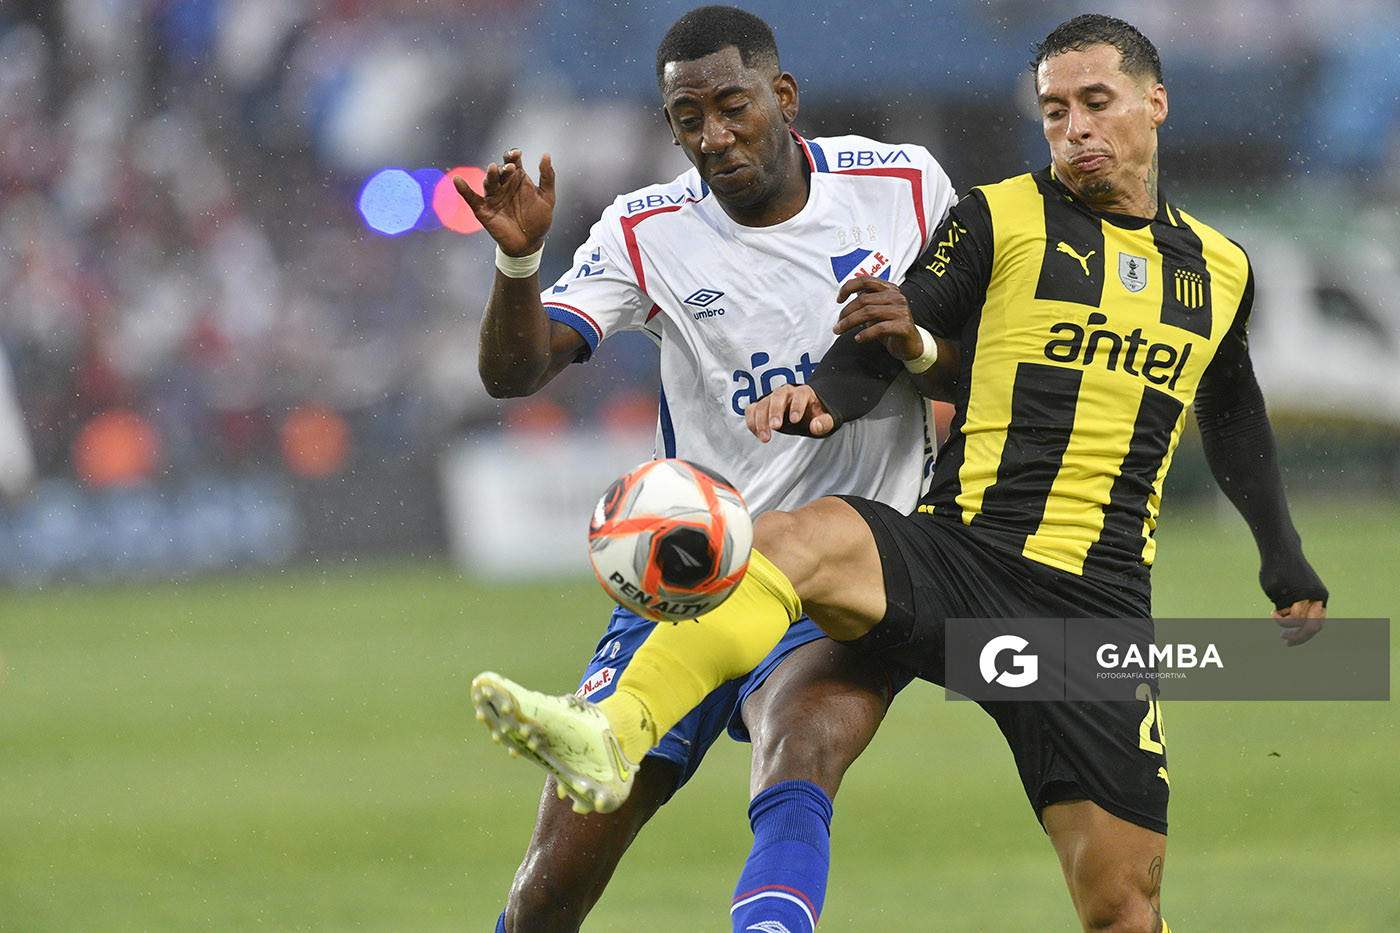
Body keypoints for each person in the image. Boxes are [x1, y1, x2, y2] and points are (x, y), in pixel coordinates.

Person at [472, 14, 1331, 933]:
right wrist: (522, 262)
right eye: (1053, 109)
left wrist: (1282, 555)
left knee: (1111, 900)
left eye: (1094, 103)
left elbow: (1208, 405)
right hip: (827, 557)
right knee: (561, 876)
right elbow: (904, 315)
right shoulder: (989, 213)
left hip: (1033, 588)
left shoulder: (938, 193)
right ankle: (613, 732)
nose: (1075, 127)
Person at [460, 7, 957, 932]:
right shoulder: (647, 229)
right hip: (691, 570)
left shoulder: (904, 186)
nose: (714, 137)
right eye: (688, 119)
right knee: (557, 876)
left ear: (784, 95)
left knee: (801, 751)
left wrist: (912, 345)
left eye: (733, 107)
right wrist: (519, 259)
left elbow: (977, 349)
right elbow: (512, 372)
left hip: (849, 571)